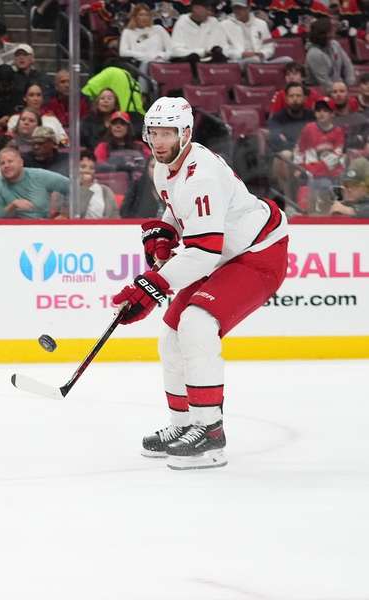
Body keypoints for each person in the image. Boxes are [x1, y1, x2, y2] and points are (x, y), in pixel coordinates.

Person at [110, 96, 287, 470]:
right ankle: (182, 424)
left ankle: (210, 432)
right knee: (171, 332)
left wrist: (151, 285)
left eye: (167, 133)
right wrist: (164, 233)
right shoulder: (164, 166)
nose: (158, 141)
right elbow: (178, 209)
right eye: (153, 132)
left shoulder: (202, 173)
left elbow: (205, 251)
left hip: (257, 254)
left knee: (197, 324)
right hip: (224, 252)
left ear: (186, 133)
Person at [0, 145, 70, 218]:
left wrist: (65, 213)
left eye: (10, 161)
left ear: (21, 163)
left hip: (43, 227)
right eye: (2, 163)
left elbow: (72, 187)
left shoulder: (40, 175)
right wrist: (13, 205)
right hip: (9, 231)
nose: (6, 166)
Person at [294, 96, 346, 211]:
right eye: (318, 110)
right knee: (314, 183)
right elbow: (299, 150)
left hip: (331, 173)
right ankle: (306, 212)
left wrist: (314, 168)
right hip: (311, 174)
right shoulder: (308, 129)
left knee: (338, 177)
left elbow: (336, 157)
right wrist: (299, 167)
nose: (321, 113)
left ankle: (338, 209)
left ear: (332, 114)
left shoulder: (338, 131)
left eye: (325, 111)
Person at [268, 82, 316, 204]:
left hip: (307, 155)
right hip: (282, 160)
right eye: (292, 96)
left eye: (298, 96)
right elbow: (275, 142)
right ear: (286, 98)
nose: (295, 99)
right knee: (286, 155)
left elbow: (316, 138)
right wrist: (296, 147)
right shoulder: (278, 118)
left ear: (305, 98)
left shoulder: (311, 116)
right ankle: (290, 204)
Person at [169, 0, 231, 75]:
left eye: (210, 10)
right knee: (193, 57)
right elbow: (175, 51)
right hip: (191, 62)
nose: (210, 13)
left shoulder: (213, 22)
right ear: (196, 8)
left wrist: (215, 51)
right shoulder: (182, 22)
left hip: (210, 61)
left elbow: (224, 46)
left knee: (220, 55)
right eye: (207, 9)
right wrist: (202, 52)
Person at [305, 16, 355, 94]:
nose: (335, 30)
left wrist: (351, 86)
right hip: (321, 92)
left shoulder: (335, 44)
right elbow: (325, 82)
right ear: (325, 33)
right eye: (332, 29)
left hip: (340, 88)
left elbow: (348, 65)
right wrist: (340, 93)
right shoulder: (314, 53)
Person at [119, 3, 171, 76]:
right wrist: (145, 56)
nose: (144, 18)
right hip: (141, 63)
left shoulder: (159, 29)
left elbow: (171, 48)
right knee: (147, 66)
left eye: (146, 15)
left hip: (161, 61)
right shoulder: (128, 32)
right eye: (141, 15)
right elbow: (123, 52)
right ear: (135, 17)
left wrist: (162, 55)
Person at [221, 0, 279, 64]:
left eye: (240, 8)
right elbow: (224, 48)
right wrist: (241, 54)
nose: (237, 11)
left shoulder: (262, 23)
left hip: (261, 60)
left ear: (248, 8)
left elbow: (269, 46)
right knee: (254, 60)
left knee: (287, 60)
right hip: (238, 61)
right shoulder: (224, 25)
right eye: (235, 8)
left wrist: (262, 54)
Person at [67, 150, 119, 219]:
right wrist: (85, 186)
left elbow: (115, 217)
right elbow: (73, 216)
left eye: (91, 168)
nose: (87, 171)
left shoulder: (105, 191)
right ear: (74, 168)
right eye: (83, 167)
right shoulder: (66, 190)